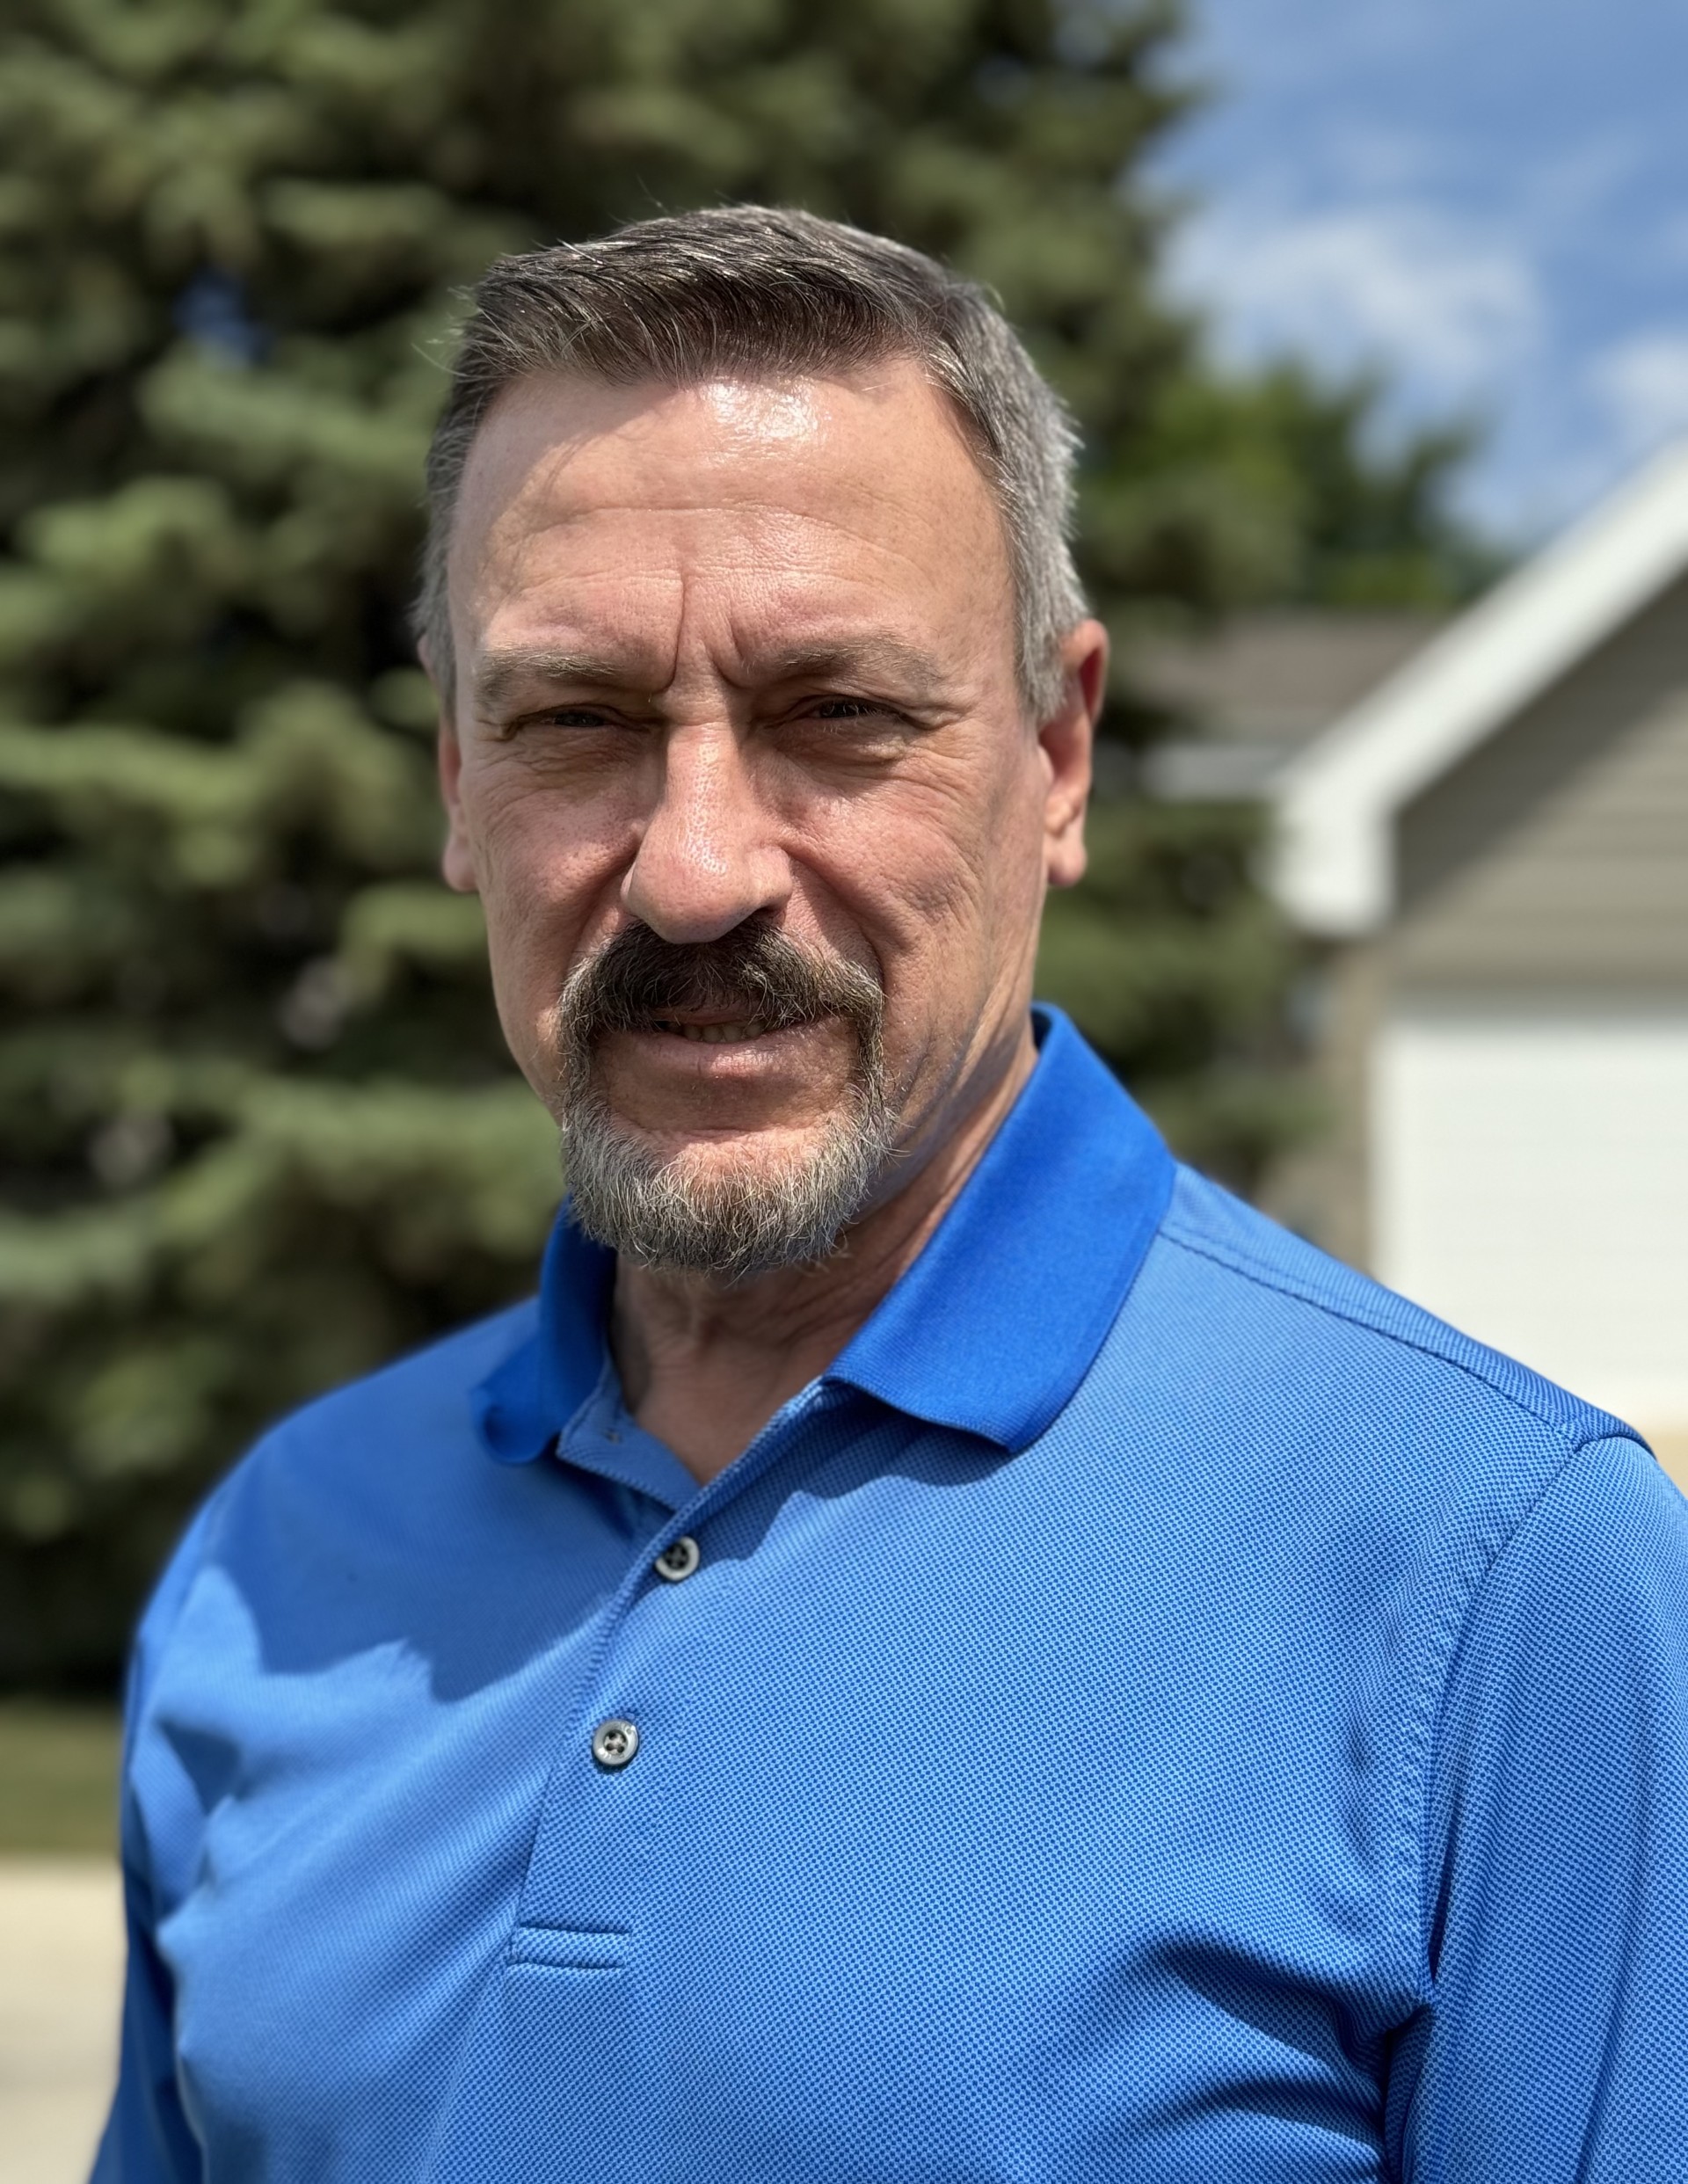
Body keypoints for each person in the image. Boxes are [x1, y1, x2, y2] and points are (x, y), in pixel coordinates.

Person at [96, 207, 1688, 2183]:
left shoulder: (1499, 1577)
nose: (696, 874)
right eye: (576, 723)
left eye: (837, 713)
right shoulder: (282, 1553)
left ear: (1059, 754)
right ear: (456, 786)